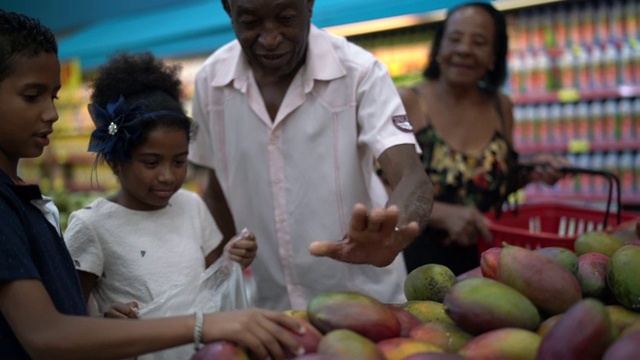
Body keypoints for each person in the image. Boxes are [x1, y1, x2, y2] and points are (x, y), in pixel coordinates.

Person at [0, 10, 305, 360]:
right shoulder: (80, 222)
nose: (51, 113)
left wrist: (227, 264)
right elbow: (49, 332)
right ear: (117, 161)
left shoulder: (24, 201)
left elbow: (68, 312)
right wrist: (203, 325)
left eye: (53, 96)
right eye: (31, 95)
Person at [188, 0, 434, 311]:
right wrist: (211, 283)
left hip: (367, 306)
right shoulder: (210, 83)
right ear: (227, 9)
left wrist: (395, 232)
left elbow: (411, 176)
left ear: (309, 3)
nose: (270, 38)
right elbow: (219, 192)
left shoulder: (361, 73)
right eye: (250, 22)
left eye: (286, 18)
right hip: (272, 310)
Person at [62, 52, 260, 359]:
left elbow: (208, 291)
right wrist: (104, 320)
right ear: (116, 161)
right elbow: (66, 325)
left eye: (179, 161)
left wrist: (231, 261)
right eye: (151, 162)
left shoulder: (193, 206)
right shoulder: (92, 226)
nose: (168, 176)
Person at [397, 2, 569, 275]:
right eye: (454, 39)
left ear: (493, 56)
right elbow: (382, 188)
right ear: (439, 48)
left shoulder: (501, 106)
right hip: (418, 267)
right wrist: (443, 214)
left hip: (488, 264)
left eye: (479, 42)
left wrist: (530, 172)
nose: (464, 49)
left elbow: (489, 184)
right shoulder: (409, 102)